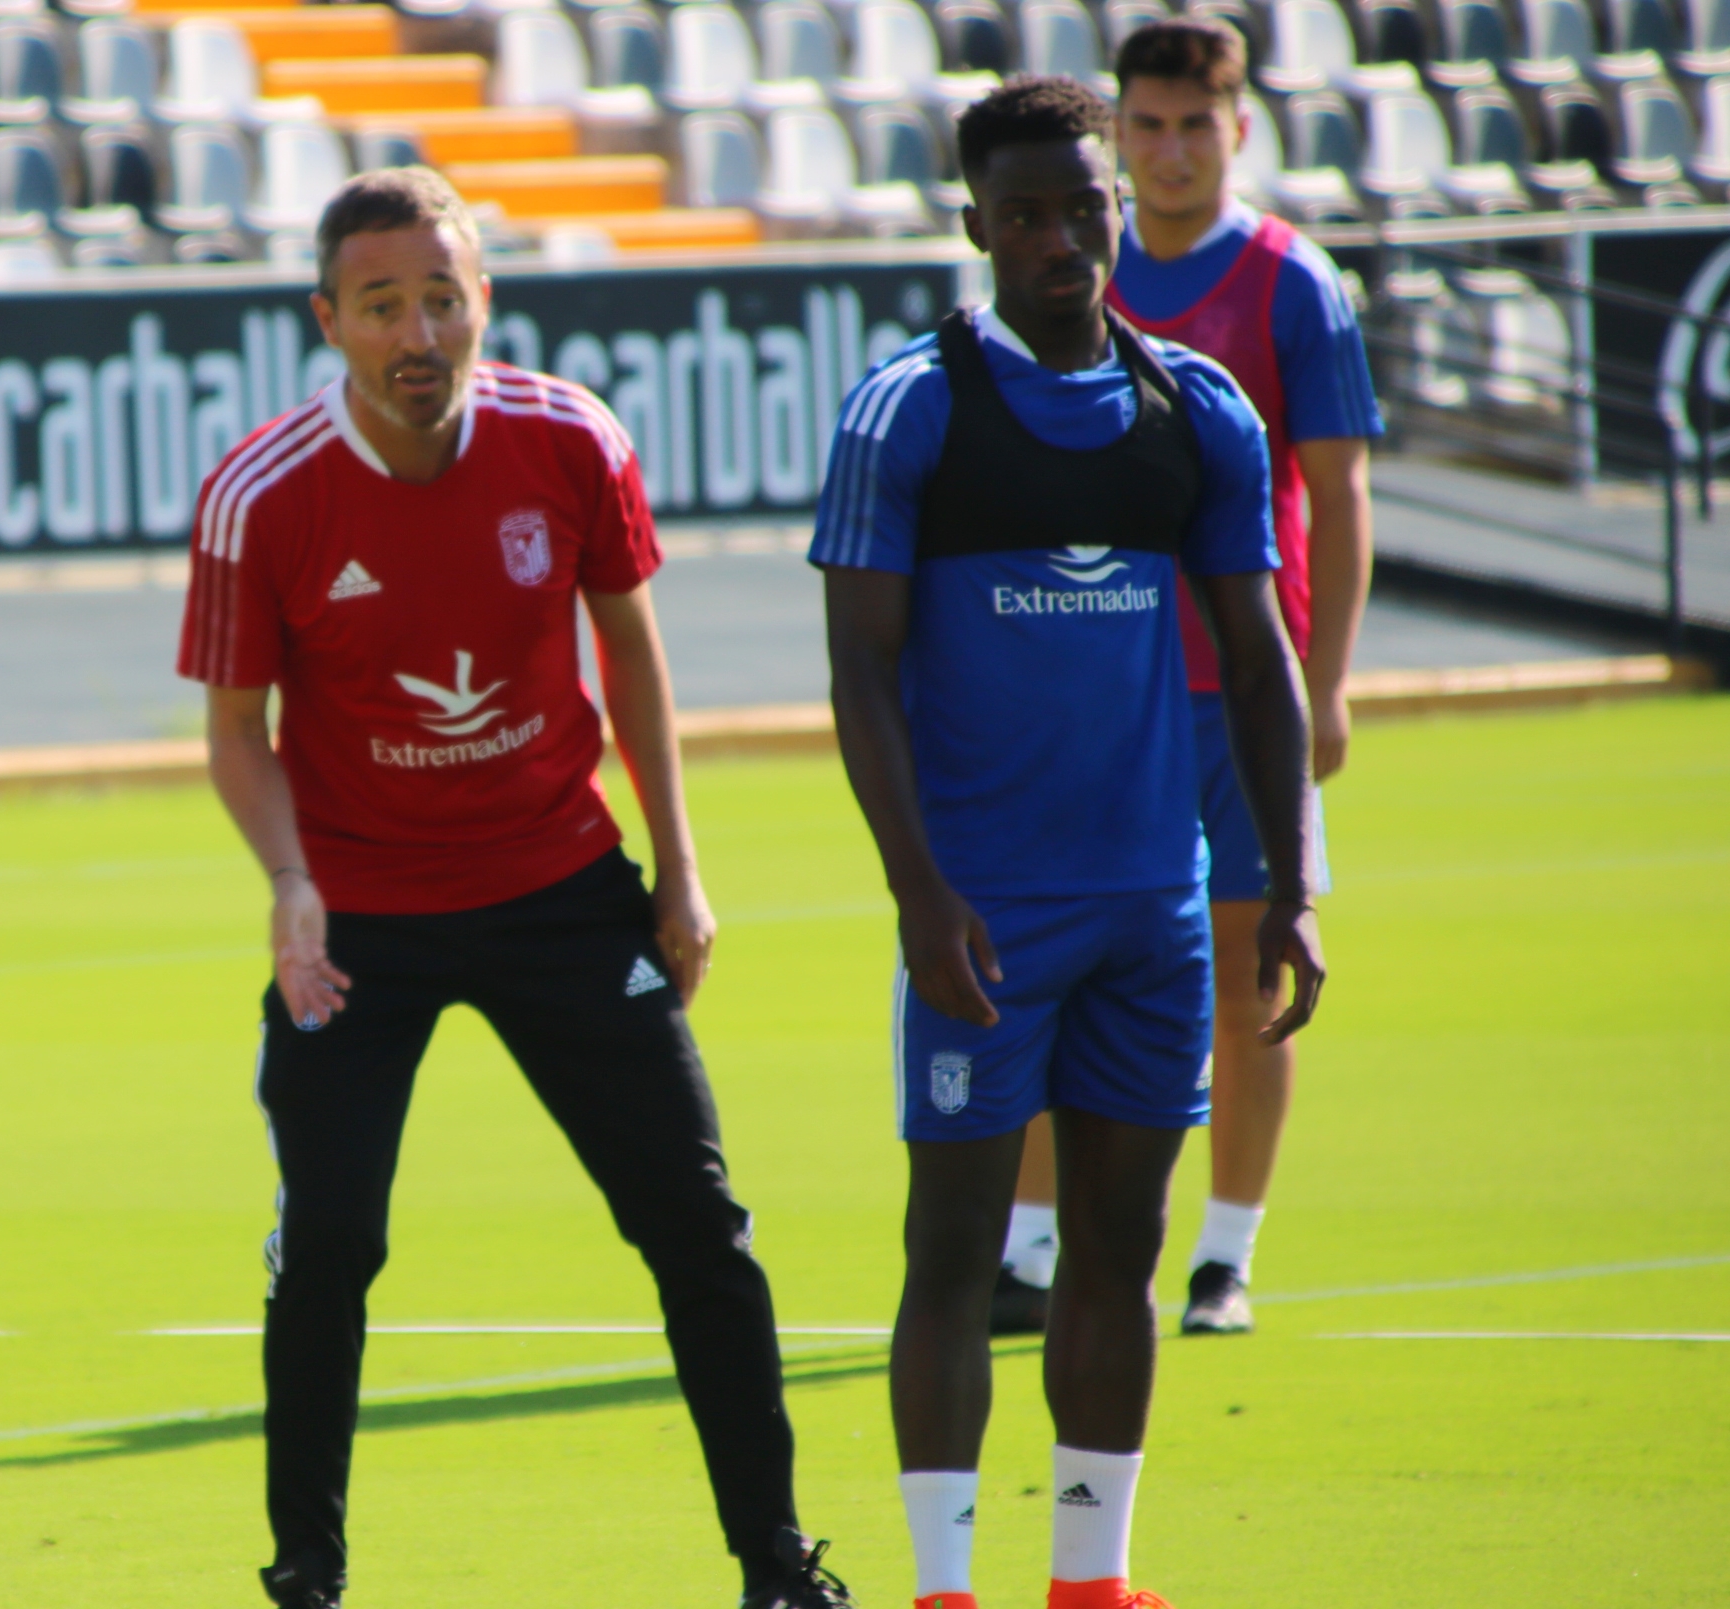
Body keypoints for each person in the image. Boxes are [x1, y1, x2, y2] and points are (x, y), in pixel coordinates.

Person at [178, 166, 852, 1609]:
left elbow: (636, 660)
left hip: (561, 891)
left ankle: (780, 1564)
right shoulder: (261, 494)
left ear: (485, 299)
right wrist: (289, 880)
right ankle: (306, 1570)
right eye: (382, 305)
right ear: (330, 322)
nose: (418, 330)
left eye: (443, 296)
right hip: (356, 919)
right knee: (333, 1245)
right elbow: (237, 735)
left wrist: (679, 867)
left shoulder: (571, 441)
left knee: (697, 1223)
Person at [810, 80, 1325, 1609]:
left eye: (1079, 208)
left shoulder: (1194, 410)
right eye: (1021, 214)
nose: (1056, 238)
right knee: (959, 1251)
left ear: (1117, 211)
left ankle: (1090, 1580)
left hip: (1152, 914)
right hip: (987, 916)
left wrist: (1291, 881)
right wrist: (918, 892)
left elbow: (1264, 648)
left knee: (1119, 1244)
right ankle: (941, 1587)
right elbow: (859, 673)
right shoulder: (912, 409)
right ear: (974, 225)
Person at [994, 16, 1385, 1341]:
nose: (1169, 150)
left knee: (1243, 971)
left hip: (1234, 688)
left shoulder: (1291, 284)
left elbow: (1337, 495)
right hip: (1091, 699)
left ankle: (1225, 1254)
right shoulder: (1062, 278)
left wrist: (1323, 684)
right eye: (1145, 125)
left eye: (1192, 124)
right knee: (1052, 964)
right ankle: (1031, 1251)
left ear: (1239, 128)